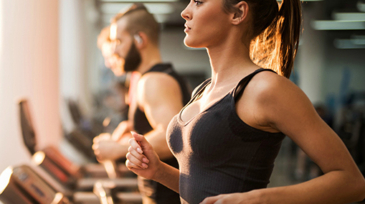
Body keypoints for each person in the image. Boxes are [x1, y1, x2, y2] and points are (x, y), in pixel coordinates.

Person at [125, 0, 365, 204]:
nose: (185, 11)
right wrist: (158, 171)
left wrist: (258, 199)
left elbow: (352, 181)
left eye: (199, 1)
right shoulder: (203, 90)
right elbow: (206, 187)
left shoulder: (265, 89)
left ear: (238, 13)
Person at [92, 3, 191, 204]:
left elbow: (170, 137)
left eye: (119, 41)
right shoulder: (149, 78)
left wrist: (118, 149)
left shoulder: (153, 81)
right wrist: (128, 129)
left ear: (140, 39)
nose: (114, 49)